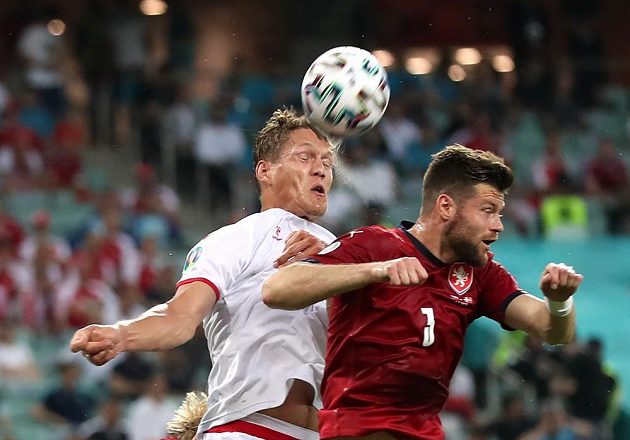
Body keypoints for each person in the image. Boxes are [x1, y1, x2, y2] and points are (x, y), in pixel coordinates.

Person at [263, 145, 583, 440]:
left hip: (425, 431)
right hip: (357, 430)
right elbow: (277, 289)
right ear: (445, 206)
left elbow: (553, 330)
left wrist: (559, 302)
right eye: (487, 210)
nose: (498, 225)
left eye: (499, 213)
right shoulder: (374, 245)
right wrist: (376, 271)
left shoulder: (481, 273)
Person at [70, 108, 338, 440]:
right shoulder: (237, 239)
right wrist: (122, 334)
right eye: (304, 157)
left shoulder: (341, 251)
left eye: (327, 163)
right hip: (246, 430)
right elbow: (180, 316)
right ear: (265, 171)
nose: (321, 170)